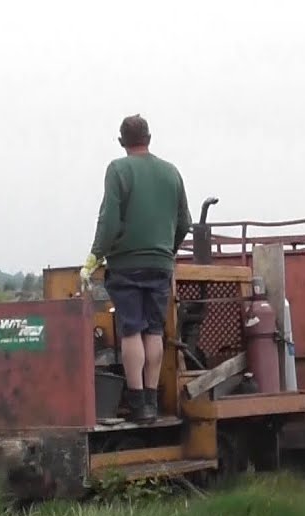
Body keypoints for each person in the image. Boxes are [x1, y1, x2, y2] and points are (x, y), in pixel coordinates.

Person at [81, 114, 192, 423]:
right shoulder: (171, 173)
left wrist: (95, 255)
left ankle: (138, 403)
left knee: (132, 330)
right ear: (149, 138)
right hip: (160, 265)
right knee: (154, 330)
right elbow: (185, 222)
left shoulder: (118, 169)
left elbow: (109, 221)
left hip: (127, 264)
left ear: (121, 142)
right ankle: (153, 401)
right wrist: (166, 252)